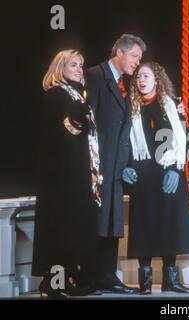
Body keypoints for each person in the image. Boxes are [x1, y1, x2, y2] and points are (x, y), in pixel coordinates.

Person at [122, 62, 189, 295]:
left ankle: (170, 280)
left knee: (170, 222)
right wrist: (124, 168)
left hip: (168, 170)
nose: (141, 80)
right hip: (142, 172)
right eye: (138, 77)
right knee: (144, 223)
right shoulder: (130, 107)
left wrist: (176, 169)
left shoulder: (172, 105)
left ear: (157, 79)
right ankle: (145, 280)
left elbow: (183, 138)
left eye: (145, 76)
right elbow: (122, 140)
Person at [32, 49, 102, 298]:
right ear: (61, 66)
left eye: (81, 65)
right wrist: (81, 117)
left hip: (78, 170)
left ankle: (69, 278)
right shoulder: (56, 94)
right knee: (60, 225)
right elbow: (64, 130)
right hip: (60, 174)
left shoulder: (75, 93)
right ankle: (54, 283)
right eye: (74, 64)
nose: (79, 69)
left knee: (74, 225)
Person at [85, 34, 146, 294]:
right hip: (98, 166)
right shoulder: (96, 76)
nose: (137, 63)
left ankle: (108, 276)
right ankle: (90, 277)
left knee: (111, 220)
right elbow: (88, 123)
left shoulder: (123, 84)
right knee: (97, 221)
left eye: (139, 59)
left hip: (116, 167)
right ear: (119, 53)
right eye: (134, 57)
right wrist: (93, 165)